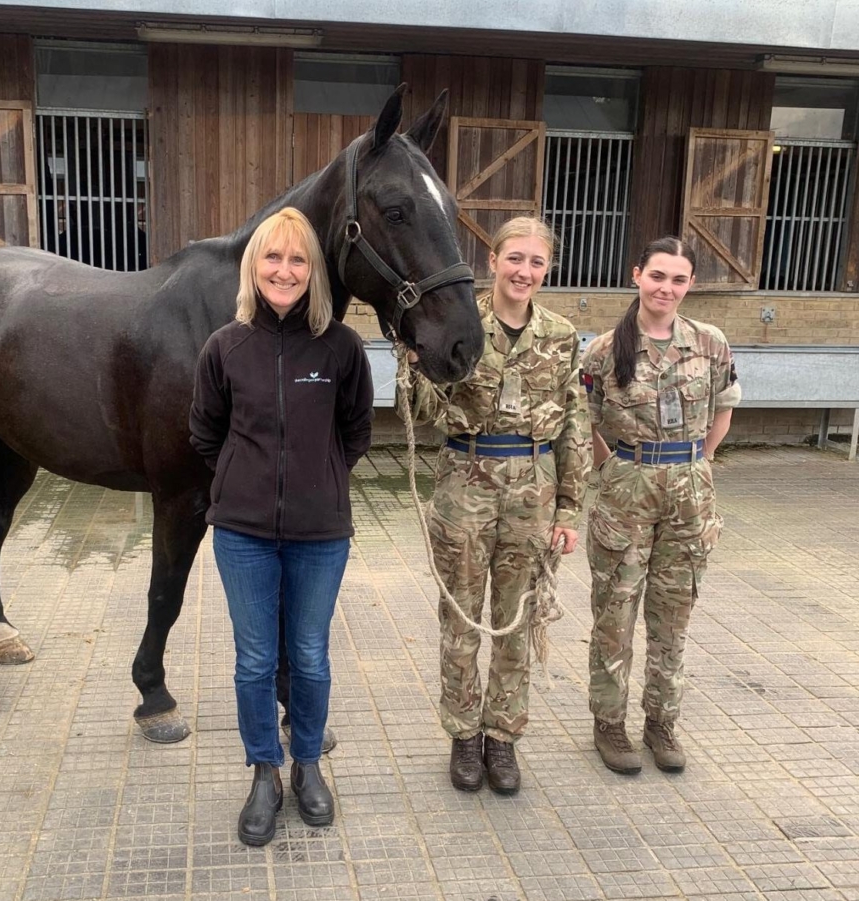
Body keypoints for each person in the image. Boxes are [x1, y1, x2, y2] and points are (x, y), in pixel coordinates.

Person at [189, 207, 373, 847]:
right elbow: (205, 432)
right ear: (254, 267)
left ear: (313, 272)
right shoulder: (225, 347)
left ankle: (307, 767)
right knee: (256, 660)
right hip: (242, 534)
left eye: (298, 260)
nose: (285, 270)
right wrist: (240, 480)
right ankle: (263, 772)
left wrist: (320, 477)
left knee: (311, 656)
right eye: (273, 257)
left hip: (321, 535)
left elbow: (355, 433)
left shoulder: (342, 349)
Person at [396, 216, 590, 795]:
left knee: (517, 621)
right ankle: (462, 734)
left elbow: (575, 422)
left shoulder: (560, 335)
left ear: (547, 268)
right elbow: (429, 413)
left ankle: (501, 738)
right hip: (465, 485)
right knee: (460, 620)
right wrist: (410, 362)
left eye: (536, 261)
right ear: (493, 262)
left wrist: (570, 509)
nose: (524, 271)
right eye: (514, 259)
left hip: (534, 492)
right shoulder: (461, 324)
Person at [581, 236, 740, 775]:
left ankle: (661, 722)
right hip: (627, 487)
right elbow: (586, 418)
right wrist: (609, 467)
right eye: (657, 276)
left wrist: (703, 461)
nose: (666, 288)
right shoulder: (604, 350)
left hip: (689, 491)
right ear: (637, 276)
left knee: (674, 614)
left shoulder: (711, 343)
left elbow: (724, 406)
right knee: (615, 612)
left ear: (689, 285)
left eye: (678, 279)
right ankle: (609, 723)